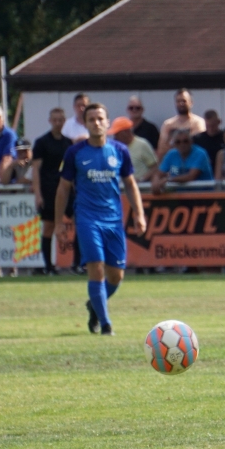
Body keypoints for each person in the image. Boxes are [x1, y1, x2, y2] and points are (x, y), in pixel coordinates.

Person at [54, 103, 147, 336]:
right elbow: (63, 188)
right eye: (91, 119)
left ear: (107, 122)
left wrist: (139, 213)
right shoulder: (75, 153)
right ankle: (106, 325)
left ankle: (94, 305)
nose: (96, 123)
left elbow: (130, 184)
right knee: (96, 268)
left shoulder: (120, 151)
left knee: (116, 275)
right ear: (85, 124)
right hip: (87, 218)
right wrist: (58, 222)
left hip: (113, 220)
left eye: (100, 118)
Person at [30, 107, 73, 275]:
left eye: (60, 120)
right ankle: (48, 266)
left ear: (64, 121)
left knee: (79, 223)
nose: (57, 123)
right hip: (48, 190)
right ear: (50, 121)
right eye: (54, 120)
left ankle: (78, 263)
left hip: (67, 189)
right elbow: (35, 169)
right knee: (49, 227)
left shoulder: (68, 143)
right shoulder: (41, 142)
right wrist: (38, 194)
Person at [152, 129, 214, 195]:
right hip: (180, 195)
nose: (182, 144)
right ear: (174, 144)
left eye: (185, 141)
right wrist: (156, 183)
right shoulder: (171, 154)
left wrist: (168, 180)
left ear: (191, 142)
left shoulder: (200, 153)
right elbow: (159, 174)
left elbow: (191, 176)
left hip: (203, 195)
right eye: (178, 142)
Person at [157, 89, 206, 159]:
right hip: (172, 163)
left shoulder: (198, 122)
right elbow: (161, 149)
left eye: (184, 101)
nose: (181, 103)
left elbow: (196, 146)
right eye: (178, 101)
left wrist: (171, 142)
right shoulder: (168, 124)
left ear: (191, 103)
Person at [108, 117, 157, 182]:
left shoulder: (142, 144)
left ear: (126, 132)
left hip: (141, 188)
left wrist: (141, 179)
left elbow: (154, 167)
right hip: (120, 187)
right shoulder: (114, 147)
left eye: (117, 134)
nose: (115, 137)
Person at [193, 110, 225, 174]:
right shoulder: (198, 139)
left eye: (213, 126)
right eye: (208, 126)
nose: (210, 129)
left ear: (219, 122)